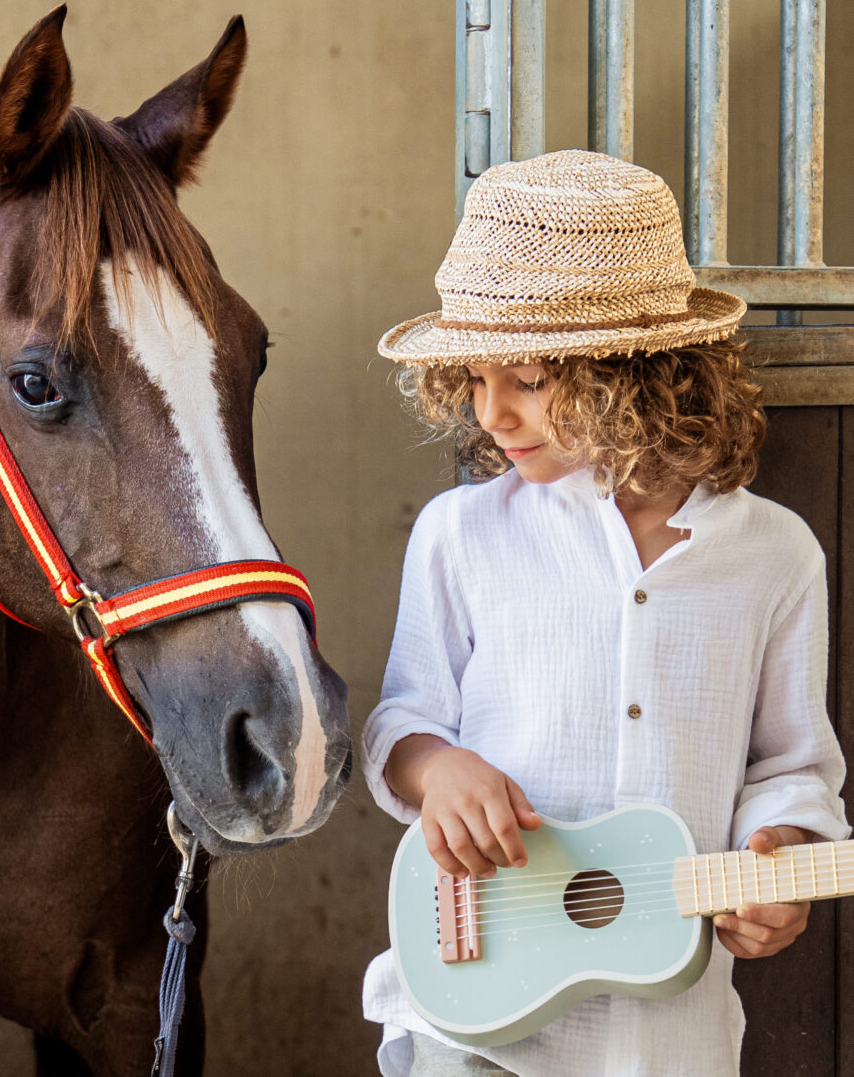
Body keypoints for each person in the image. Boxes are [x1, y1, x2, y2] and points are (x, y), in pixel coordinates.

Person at [361, 150, 849, 1077]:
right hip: (467, 1016)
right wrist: (442, 770)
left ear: (641, 373)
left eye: (530, 379)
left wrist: (782, 859)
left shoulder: (776, 555)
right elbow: (401, 722)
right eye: (472, 377)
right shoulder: (460, 533)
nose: (491, 413)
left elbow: (791, 765)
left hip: (666, 1041)